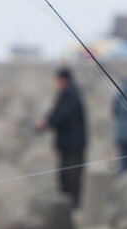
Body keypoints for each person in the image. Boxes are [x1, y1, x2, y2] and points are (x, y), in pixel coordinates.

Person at [35, 67, 87, 206]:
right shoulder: (65, 94)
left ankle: (73, 207)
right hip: (66, 145)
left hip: (74, 145)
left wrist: (46, 123)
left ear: (63, 80)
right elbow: (56, 112)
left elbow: (61, 115)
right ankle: (66, 205)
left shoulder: (72, 95)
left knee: (72, 177)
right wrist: (45, 121)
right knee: (64, 176)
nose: (55, 84)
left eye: (57, 80)